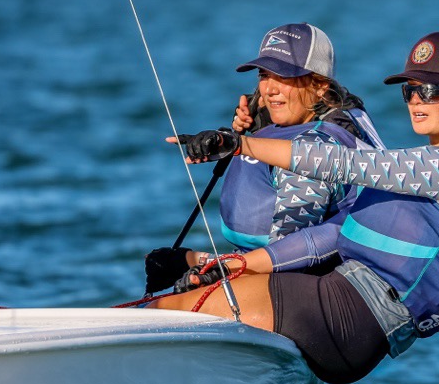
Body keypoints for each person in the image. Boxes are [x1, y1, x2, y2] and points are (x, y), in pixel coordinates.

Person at [152, 30, 439, 384]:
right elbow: (328, 237)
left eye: (433, 91)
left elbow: (340, 163)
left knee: (160, 314)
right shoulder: (437, 169)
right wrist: (218, 264)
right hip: (344, 312)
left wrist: (238, 144)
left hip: (345, 314)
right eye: (410, 90)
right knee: (177, 283)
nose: (417, 101)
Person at [144, 22, 382, 294]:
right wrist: (241, 131)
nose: (269, 90)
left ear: (320, 85)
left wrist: (208, 267)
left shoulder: (313, 152)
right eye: (264, 75)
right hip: (281, 270)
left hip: (319, 285)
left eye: (284, 77)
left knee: (180, 292)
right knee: (168, 265)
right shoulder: (337, 113)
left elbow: (286, 261)